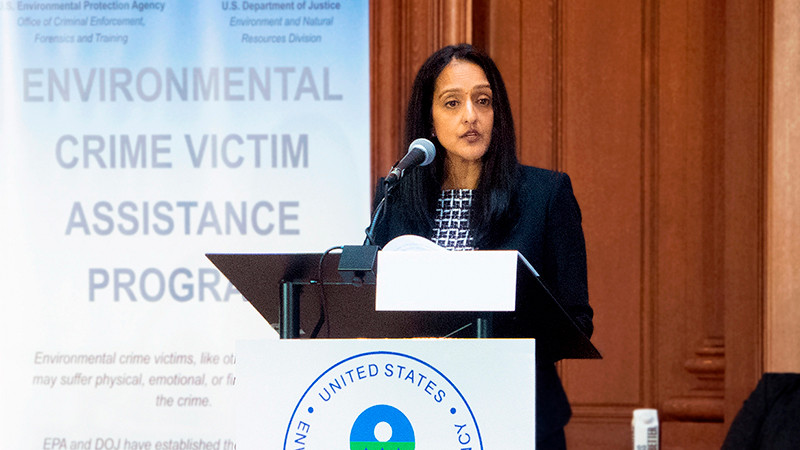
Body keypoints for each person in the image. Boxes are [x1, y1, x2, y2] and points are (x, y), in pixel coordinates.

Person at [371, 43, 594, 448]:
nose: (470, 115)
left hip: (518, 414)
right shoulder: (396, 197)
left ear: (497, 113)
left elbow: (577, 321)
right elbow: (372, 308)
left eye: (483, 101)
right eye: (452, 103)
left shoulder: (545, 195)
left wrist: (497, 329)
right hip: (421, 412)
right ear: (429, 120)